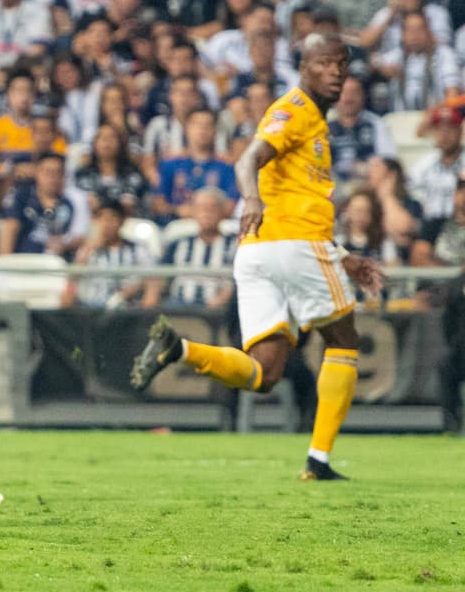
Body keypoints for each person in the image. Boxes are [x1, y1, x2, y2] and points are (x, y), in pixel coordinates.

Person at [131, 33, 385, 481]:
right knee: (343, 342)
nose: (336, 72)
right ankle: (318, 461)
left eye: (342, 64)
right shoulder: (294, 112)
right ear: (303, 66)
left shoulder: (311, 122)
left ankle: (180, 349)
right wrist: (249, 199)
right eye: (325, 63)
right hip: (293, 244)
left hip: (259, 252)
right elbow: (247, 159)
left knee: (265, 374)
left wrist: (343, 257)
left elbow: (295, 197)